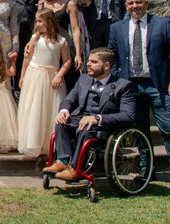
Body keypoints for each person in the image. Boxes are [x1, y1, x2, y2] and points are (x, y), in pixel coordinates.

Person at [43, 48, 136, 180]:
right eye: (88, 61)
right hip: (80, 119)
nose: (88, 64)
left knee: (86, 130)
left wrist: (97, 118)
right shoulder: (83, 80)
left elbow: (128, 115)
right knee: (61, 123)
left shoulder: (123, 86)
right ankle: (62, 161)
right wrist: (63, 111)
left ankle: (75, 169)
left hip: (102, 126)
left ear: (107, 65)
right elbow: (69, 100)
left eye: (93, 62)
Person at [108, 0, 170, 160]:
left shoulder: (163, 24)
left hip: (158, 85)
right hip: (131, 86)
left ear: (146, 4)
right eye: (131, 3)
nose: (135, 6)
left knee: (168, 127)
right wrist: (118, 80)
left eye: (138, 2)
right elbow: (112, 56)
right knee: (139, 131)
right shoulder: (116, 28)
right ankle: (147, 171)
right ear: (126, 6)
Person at [17, 9, 71, 157]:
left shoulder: (61, 41)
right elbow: (27, 59)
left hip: (51, 78)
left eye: (40, 21)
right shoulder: (35, 38)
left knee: (49, 110)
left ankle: (48, 144)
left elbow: (67, 61)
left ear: (49, 21)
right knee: (34, 108)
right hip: (34, 76)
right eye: (36, 21)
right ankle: (33, 143)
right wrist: (22, 77)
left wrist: (59, 75)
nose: (37, 24)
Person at [39, 0, 84, 91]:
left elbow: (75, 29)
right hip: (46, 47)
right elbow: (38, 28)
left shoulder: (70, 4)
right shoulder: (42, 4)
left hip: (64, 45)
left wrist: (78, 54)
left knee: (68, 80)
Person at [7, 0, 43, 93]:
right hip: (15, 27)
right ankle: (18, 89)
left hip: (34, 26)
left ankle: (33, 88)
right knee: (18, 57)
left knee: (34, 56)